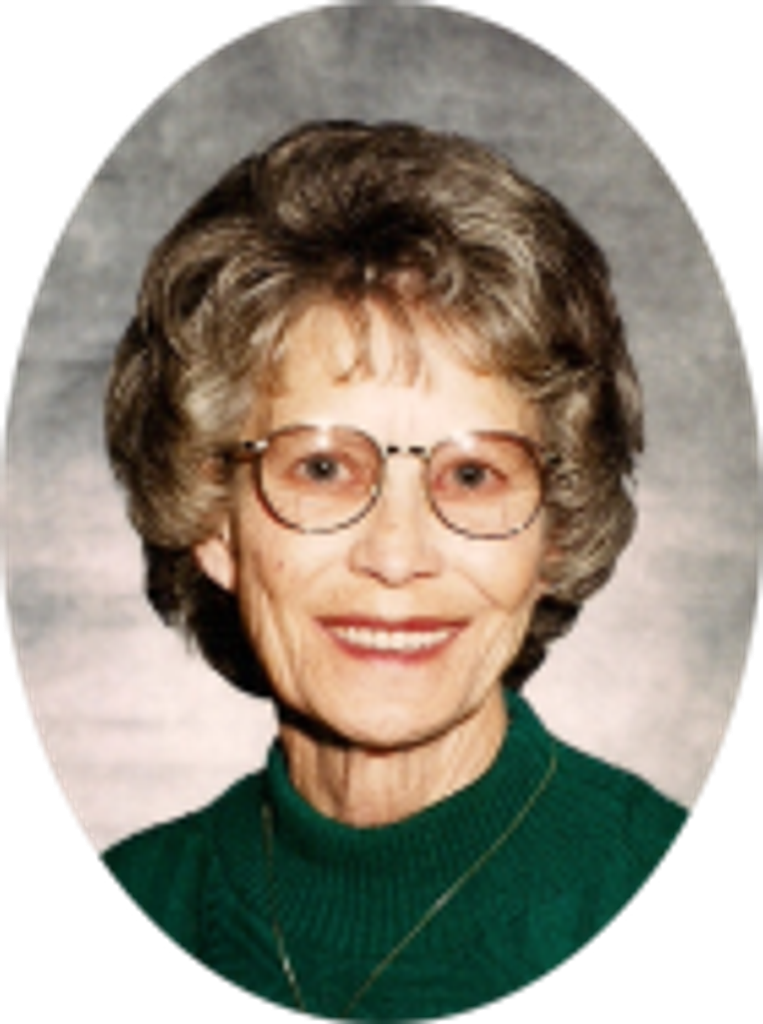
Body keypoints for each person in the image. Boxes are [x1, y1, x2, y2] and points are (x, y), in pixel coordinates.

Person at [100, 120, 692, 1020]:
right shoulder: (143, 897)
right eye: (323, 467)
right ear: (212, 521)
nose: (395, 555)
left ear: (557, 533)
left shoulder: (639, 876)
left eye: (472, 474)